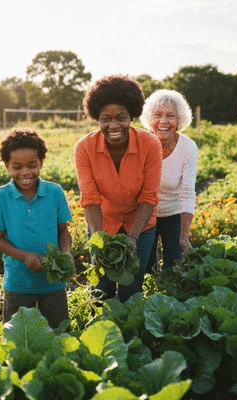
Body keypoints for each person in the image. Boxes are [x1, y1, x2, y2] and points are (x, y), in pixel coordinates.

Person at [74, 74, 162, 303]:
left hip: (141, 225)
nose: (114, 126)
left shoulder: (150, 144)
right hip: (103, 223)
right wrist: (98, 240)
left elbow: (149, 196)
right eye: (106, 119)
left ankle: (130, 335)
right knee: (100, 288)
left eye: (121, 118)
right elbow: (90, 198)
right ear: (97, 118)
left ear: (132, 116)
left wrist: (133, 236)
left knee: (131, 288)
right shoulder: (84, 148)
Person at [0, 128, 74, 329]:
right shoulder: (0, 197)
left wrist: (66, 252)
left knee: (59, 335)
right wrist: (24, 256)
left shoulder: (54, 192)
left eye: (32, 165)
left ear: (41, 162)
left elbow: (63, 231)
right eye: (17, 166)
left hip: (53, 282)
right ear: (7, 165)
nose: (25, 172)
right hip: (18, 282)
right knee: (17, 339)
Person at [140, 89, 198, 271]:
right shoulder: (141, 143)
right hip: (144, 213)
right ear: (150, 119)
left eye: (170, 116)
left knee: (174, 268)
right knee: (145, 267)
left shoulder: (187, 148)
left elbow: (188, 193)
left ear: (179, 120)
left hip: (174, 214)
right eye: (158, 115)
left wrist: (184, 236)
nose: (163, 122)